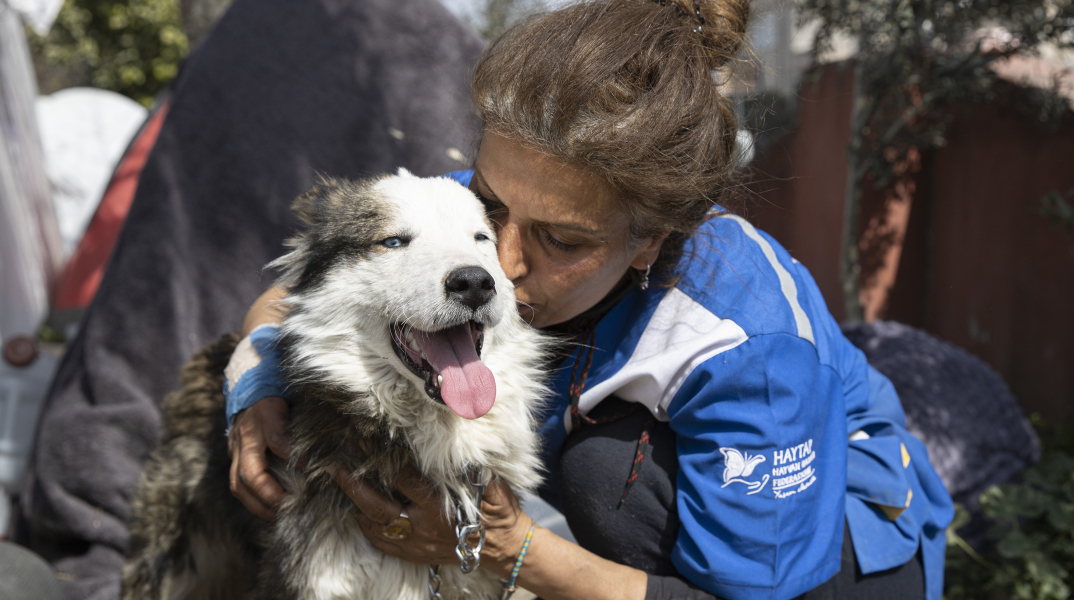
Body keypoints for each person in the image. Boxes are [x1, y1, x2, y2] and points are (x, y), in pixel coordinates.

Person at [224, 1, 954, 599]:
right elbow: (298, 292)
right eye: (488, 207)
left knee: (609, 473)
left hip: (834, 563)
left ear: (649, 242)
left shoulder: (747, 345)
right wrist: (256, 386)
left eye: (562, 242)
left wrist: (501, 549)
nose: (500, 266)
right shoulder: (505, 205)